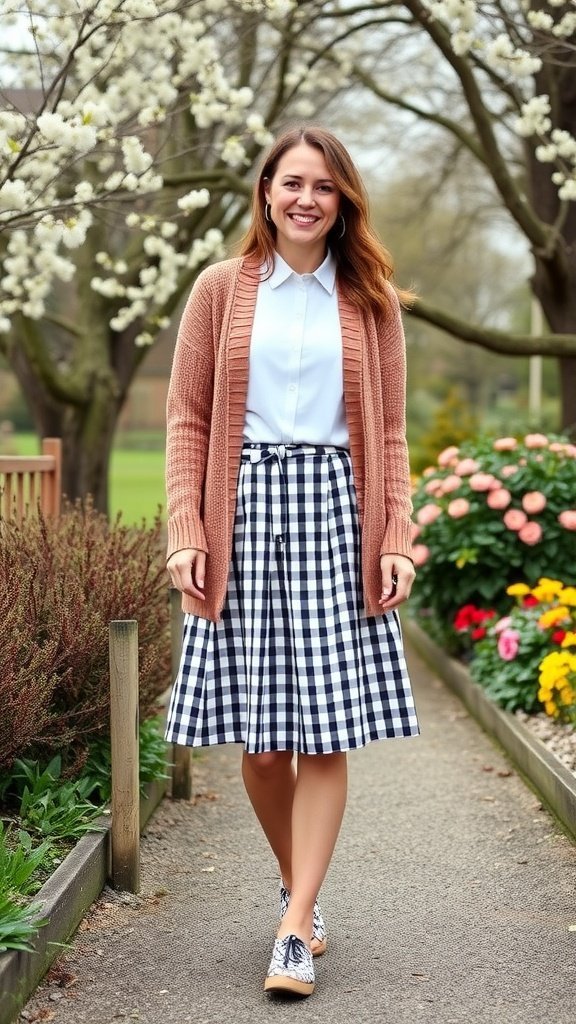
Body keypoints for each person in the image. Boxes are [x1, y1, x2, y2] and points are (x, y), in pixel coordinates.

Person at [164, 124, 420, 998]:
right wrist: (186, 529)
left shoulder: (371, 300)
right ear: (266, 192)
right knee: (266, 746)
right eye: (291, 183)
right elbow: (188, 419)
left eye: (324, 186)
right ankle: (303, 898)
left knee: (324, 731)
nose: (306, 198)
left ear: (343, 200)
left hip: (338, 517)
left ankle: (292, 928)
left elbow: (388, 433)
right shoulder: (219, 292)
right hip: (241, 514)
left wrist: (396, 541)